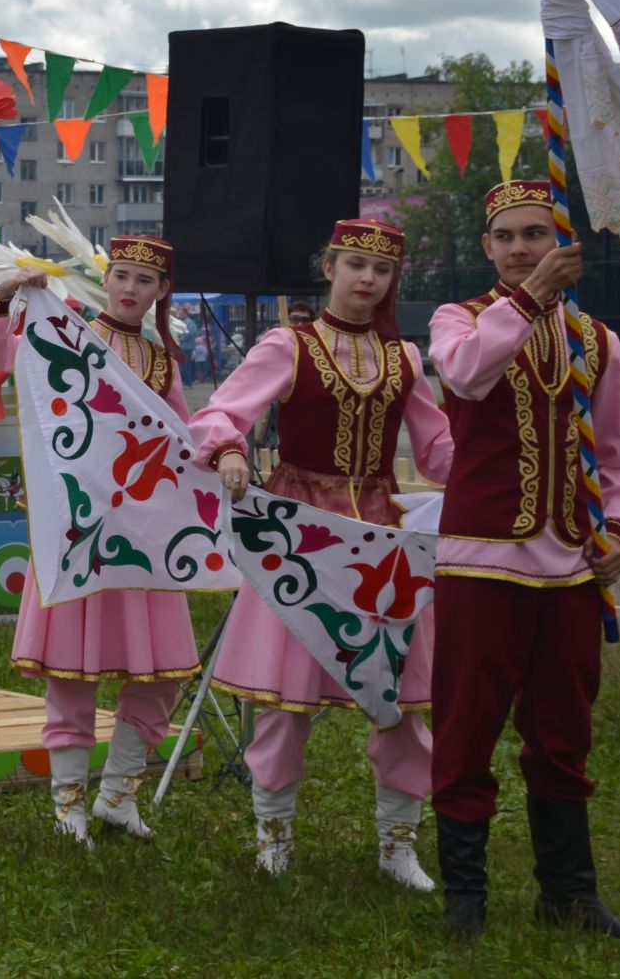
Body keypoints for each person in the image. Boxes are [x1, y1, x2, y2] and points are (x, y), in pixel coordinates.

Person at [192, 220, 452, 890]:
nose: (367, 279)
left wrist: (504, 455)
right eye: (355, 264)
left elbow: (439, 451)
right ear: (329, 266)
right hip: (299, 537)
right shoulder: (289, 346)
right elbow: (223, 412)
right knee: (284, 701)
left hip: (381, 543)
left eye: (381, 270)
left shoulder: (407, 360)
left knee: (399, 700)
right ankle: (273, 838)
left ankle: (398, 846)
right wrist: (226, 448)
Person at [428, 180, 620, 944]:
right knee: (467, 726)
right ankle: (465, 900)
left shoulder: (599, 340)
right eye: (507, 237)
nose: (522, 249)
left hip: (573, 569)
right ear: (487, 247)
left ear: (562, 243)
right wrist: (527, 303)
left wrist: (619, 528)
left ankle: (569, 893)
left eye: (537, 235)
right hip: (482, 560)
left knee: (563, 728)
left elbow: (618, 451)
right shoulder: (457, 319)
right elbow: (464, 375)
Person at [0, 236, 200, 845]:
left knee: (161, 676)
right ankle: (67, 803)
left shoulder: (163, 363)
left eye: (144, 281)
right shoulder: (66, 334)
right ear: (106, 281)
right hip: (79, 529)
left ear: (160, 294)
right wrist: (4, 296)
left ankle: (118, 796)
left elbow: (185, 437)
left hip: (147, 536)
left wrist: (225, 448)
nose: (130, 289)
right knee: (71, 672)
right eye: (121, 276)